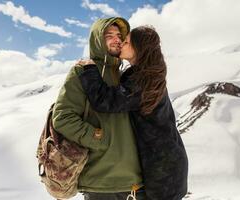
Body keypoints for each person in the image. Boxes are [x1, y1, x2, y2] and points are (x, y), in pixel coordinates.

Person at [77, 26, 189, 200]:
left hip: (164, 171)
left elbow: (105, 101)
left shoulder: (143, 81)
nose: (121, 43)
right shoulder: (143, 74)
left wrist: (89, 69)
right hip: (167, 163)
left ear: (140, 47)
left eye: (127, 41)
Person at [52, 18, 146, 200]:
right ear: (97, 40)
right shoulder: (81, 72)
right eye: (109, 35)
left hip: (135, 183)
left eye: (119, 35)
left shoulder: (125, 75)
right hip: (101, 184)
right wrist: (100, 138)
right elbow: (63, 117)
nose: (116, 39)